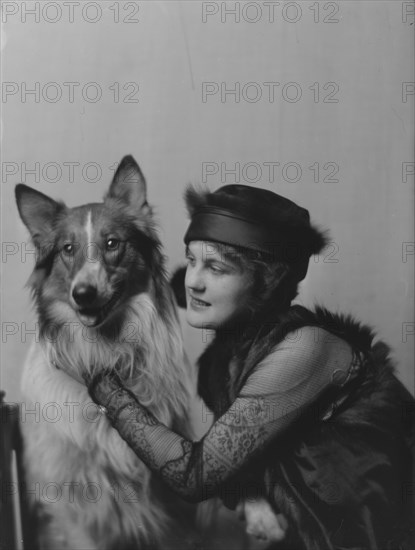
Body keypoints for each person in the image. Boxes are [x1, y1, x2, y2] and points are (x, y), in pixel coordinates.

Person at [80, 185, 413, 550]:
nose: (193, 281)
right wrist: (248, 497)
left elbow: (196, 475)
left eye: (216, 267)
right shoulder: (226, 359)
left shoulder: (309, 349)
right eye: (190, 260)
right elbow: (240, 461)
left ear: (266, 281)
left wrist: (101, 384)